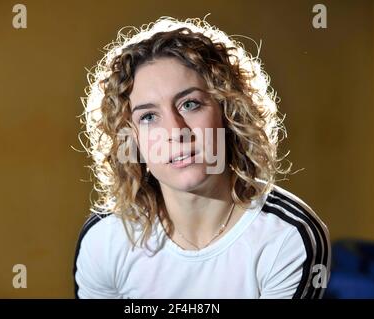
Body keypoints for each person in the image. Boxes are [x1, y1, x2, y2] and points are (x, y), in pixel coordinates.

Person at [73, 16, 330, 299]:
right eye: (148, 116)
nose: (175, 132)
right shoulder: (105, 239)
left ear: (228, 112)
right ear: (130, 138)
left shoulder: (286, 237)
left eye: (190, 104)